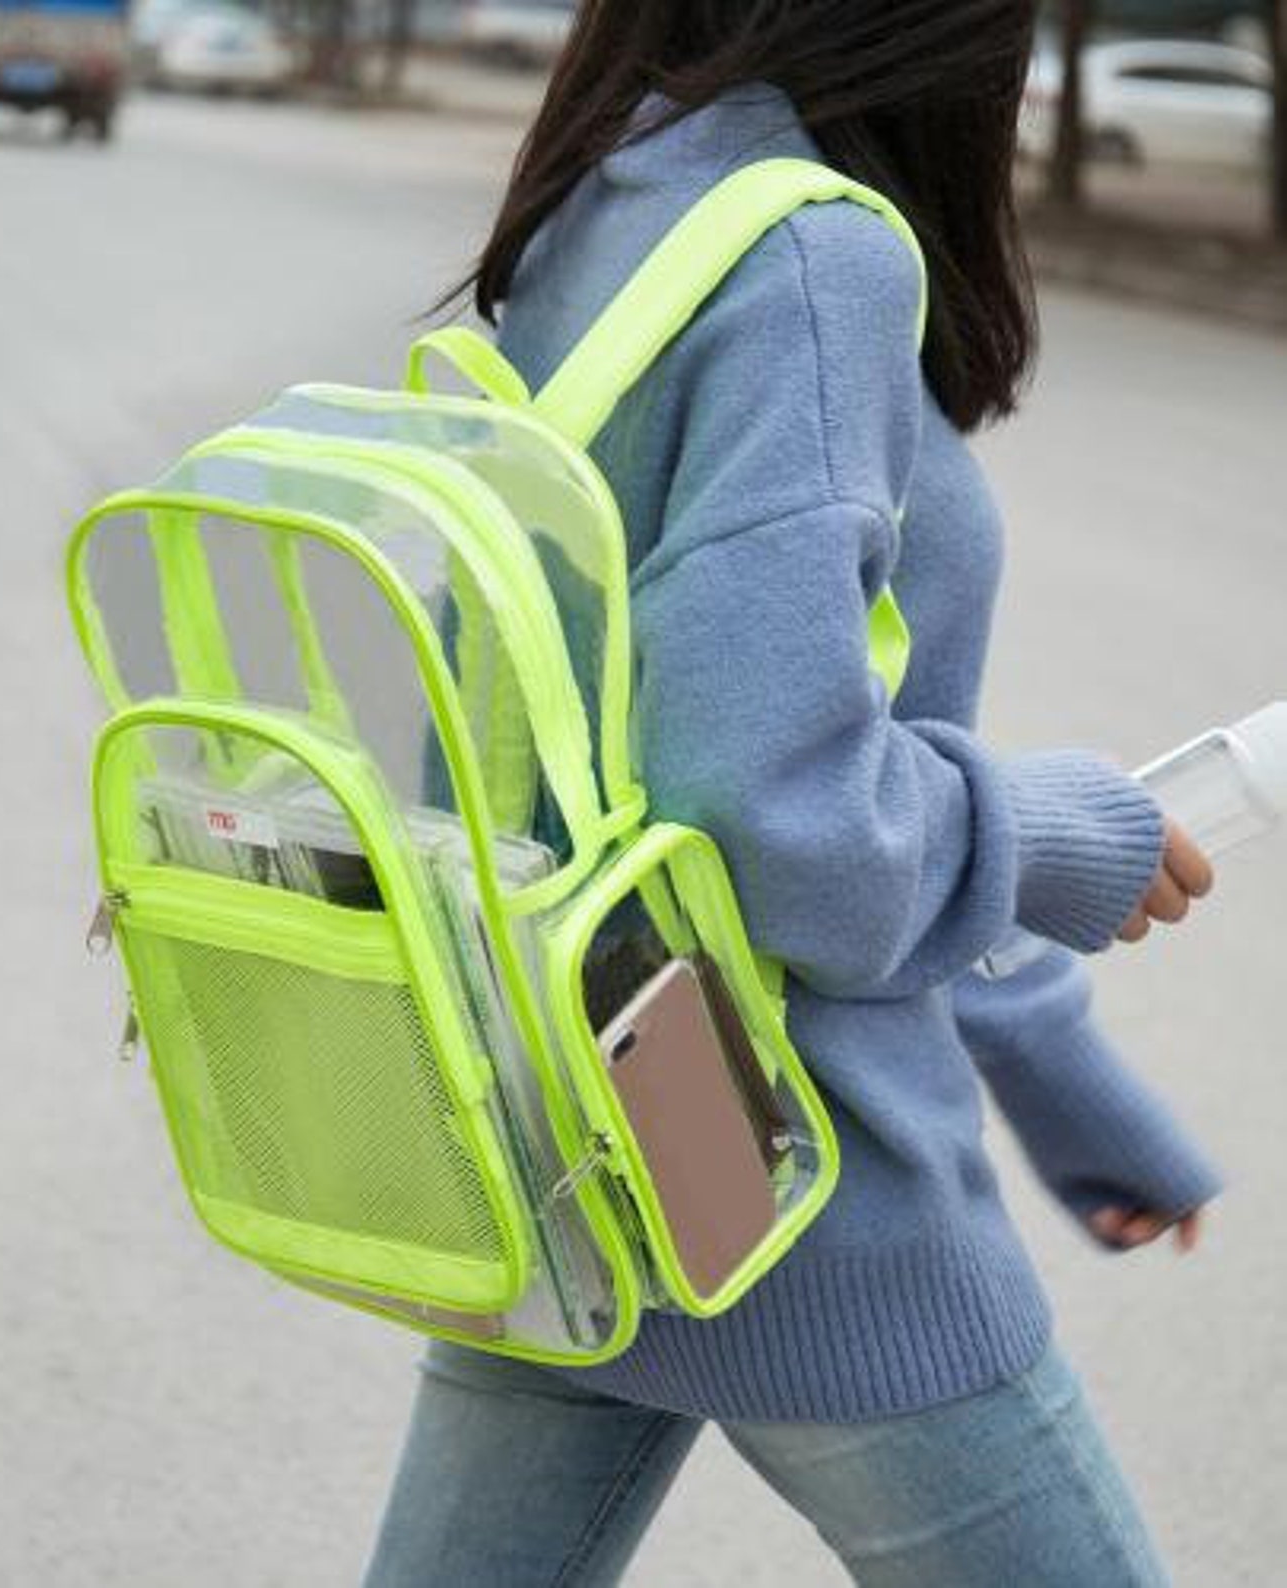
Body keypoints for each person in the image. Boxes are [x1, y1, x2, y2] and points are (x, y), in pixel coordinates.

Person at [362, 3, 1223, 1584]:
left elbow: (644, 749)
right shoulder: (817, 260)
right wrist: (1051, 832)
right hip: (793, 1165)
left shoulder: (616, 201)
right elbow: (779, 817)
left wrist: (1074, 1098)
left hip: (581, 1117)